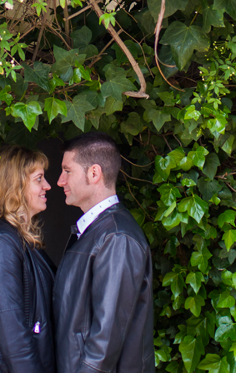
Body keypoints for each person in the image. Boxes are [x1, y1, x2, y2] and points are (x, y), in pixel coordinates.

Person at [53, 132, 154, 373]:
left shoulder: (117, 238)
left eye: (67, 171)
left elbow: (104, 341)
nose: (59, 181)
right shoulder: (99, 232)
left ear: (94, 173)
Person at [0, 146, 57, 373]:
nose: (48, 186)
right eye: (39, 179)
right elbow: (11, 330)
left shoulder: (17, 239)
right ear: (15, 186)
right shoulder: (1, 240)